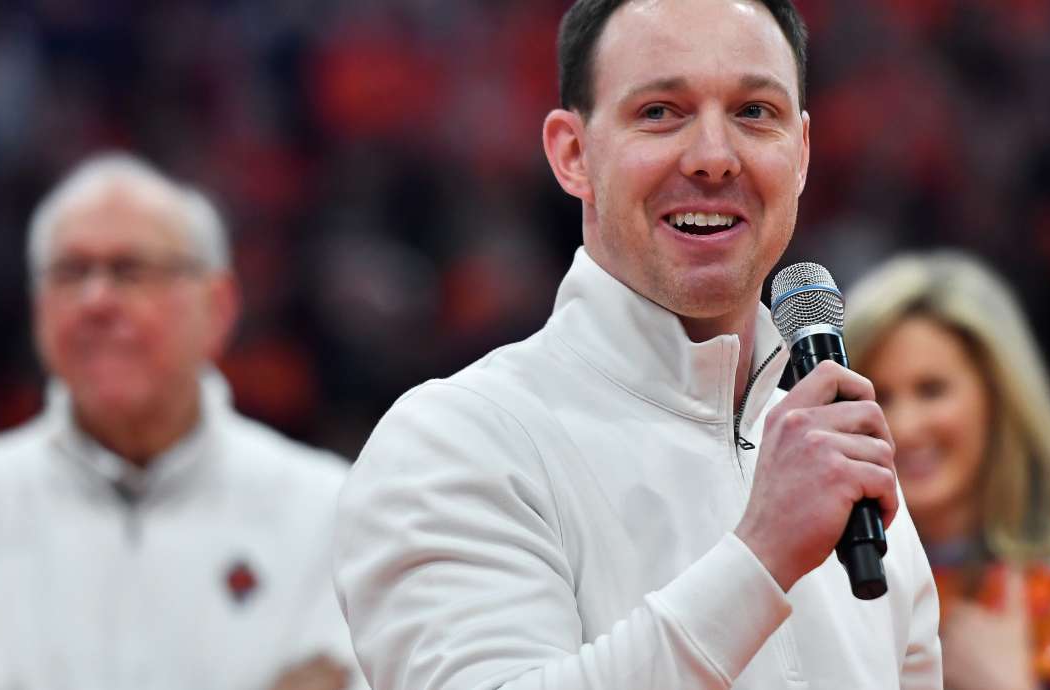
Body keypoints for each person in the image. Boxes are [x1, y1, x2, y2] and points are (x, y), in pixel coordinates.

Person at [333, 1, 942, 688]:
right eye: (660, 112)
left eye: (754, 113)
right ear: (573, 154)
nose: (715, 158)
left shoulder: (843, 466)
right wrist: (761, 555)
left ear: (800, 154)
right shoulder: (456, 443)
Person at [0, 153, 364, 690]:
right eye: (70, 272)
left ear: (219, 306)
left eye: (130, 270)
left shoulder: (327, 510)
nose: (97, 300)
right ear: (38, 307)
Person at [843, 250, 1050, 690]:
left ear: (1000, 400)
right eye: (880, 396)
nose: (903, 426)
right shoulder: (812, 594)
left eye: (931, 390)